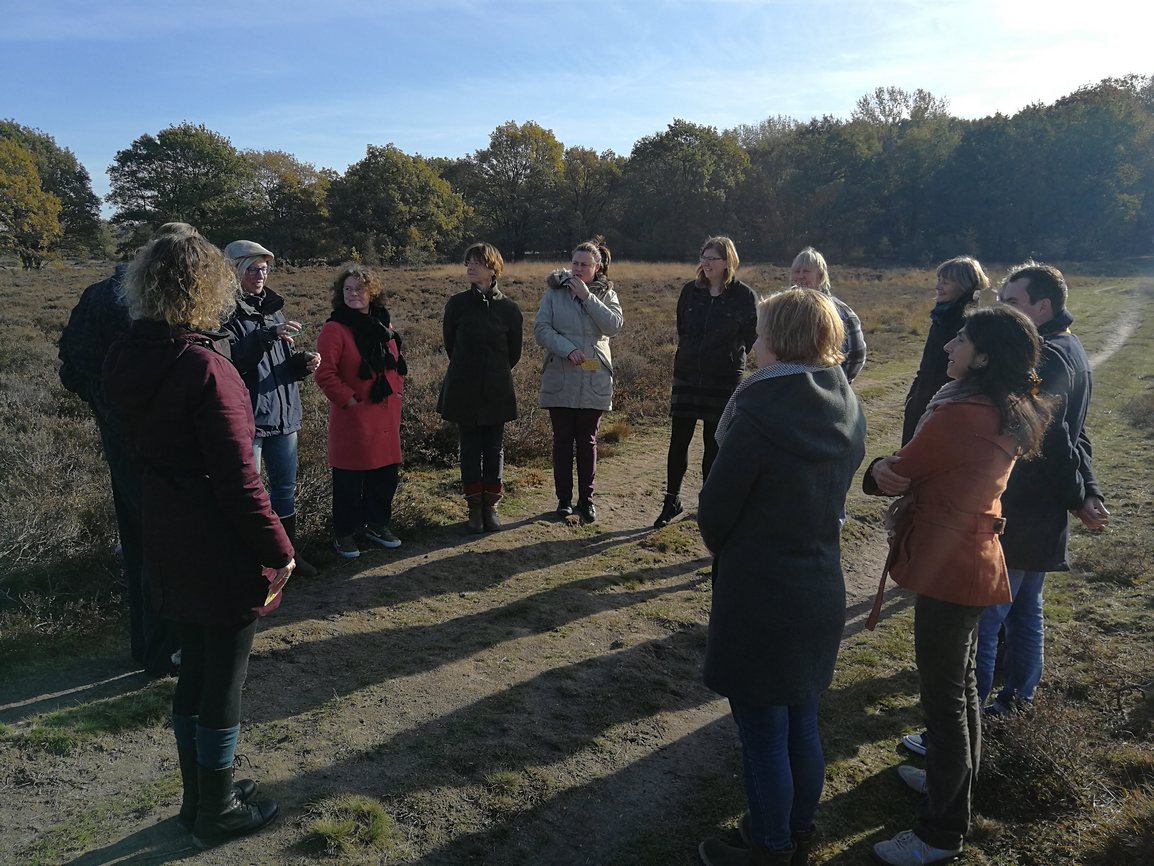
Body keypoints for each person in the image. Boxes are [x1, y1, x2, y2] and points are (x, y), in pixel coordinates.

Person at [102, 232, 289, 844]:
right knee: (223, 679)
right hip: (217, 542)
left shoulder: (128, 356)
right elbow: (239, 479)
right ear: (209, 287)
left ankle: (198, 799)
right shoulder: (208, 367)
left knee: (195, 673)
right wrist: (278, 550)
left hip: (164, 530)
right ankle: (216, 811)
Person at [864, 306, 1055, 865]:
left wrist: (877, 468)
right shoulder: (1004, 408)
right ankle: (951, 786)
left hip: (953, 564)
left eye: (963, 340)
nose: (949, 346)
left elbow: (900, 469)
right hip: (974, 556)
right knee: (963, 686)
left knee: (943, 697)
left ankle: (940, 834)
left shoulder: (960, 414)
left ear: (986, 356)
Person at [697, 288, 866, 866]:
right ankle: (797, 829)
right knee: (801, 718)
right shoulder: (844, 400)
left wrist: (730, 548)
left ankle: (769, 847)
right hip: (819, 580)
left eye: (762, 330)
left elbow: (716, 512)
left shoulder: (757, 409)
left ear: (782, 339)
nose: (753, 341)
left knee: (764, 730)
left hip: (761, 589)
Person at [58, 222, 195, 677]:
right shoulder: (162, 298)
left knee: (139, 540)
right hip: (162, 439)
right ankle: (167, 650)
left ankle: (145, 645)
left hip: (119, 437)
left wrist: (103, 404)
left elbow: (70, 367)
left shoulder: (97, 295)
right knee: (172, 542)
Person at [978, 261, 1109, 713]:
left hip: (1027, 505)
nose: (1003, 310)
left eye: (1012, 303)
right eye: (1001, 302)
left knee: (991, 612)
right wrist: (1086, 491)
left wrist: (1078, 496)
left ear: (1043, 305)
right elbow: (1078, 434)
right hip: (1043, 506)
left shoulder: (1047, 356)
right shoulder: (1070, 347)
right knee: (1024, 607)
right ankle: (1018, 702)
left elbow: (1056, 439)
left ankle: (970, 718)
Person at [223, 240, 322, 577]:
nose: (260, 274)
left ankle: (288, 559)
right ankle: (253, 566)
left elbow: (275, 365)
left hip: (283, 417)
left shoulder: (272, 309)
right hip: (250, 419)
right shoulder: (224, 313)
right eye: (252, 268)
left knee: (283, 490)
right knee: (249, 496)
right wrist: (265, 336)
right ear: (234, 270)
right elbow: (234, 362)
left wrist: (301, 365)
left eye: (264, 268)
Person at [653, 236, 757, 529]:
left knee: (714, 444)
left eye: (713, 258)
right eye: (704, 256)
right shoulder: (690, 292)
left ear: (727, 262)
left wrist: (726, 360)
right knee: (678, 442)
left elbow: (751, 339)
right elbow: (682, 329)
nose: (706, 263)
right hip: (687, 374)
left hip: (723, 380)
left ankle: (708, 506)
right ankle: (671, 501)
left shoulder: (744, 296)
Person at [314, 263, 407, 557]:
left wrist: (398, 390)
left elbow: (396, 363)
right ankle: (344, 534)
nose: (354, 294)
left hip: (385, 414)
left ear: (373, 292)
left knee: (384, 476)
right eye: (348, 289)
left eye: (360, 288)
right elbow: (324, 373)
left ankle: (377, 525)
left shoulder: (384, 325)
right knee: (349, 482)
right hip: (354, 418)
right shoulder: (334, 328)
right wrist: (349, 399)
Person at [533, 237, 623, 524]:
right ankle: (563, 501)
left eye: (585, 264)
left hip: (594, 377)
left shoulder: (607, 294)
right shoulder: (554, 293)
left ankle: (587, 500)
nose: (578, 268)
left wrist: (587, 296)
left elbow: (613, 326)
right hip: (560, 375)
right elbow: (541, 330)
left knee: (587, 441)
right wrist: (567, 348)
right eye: (575, 263)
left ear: (597, 267)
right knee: (561, 441)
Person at [437, 242, 523, 533]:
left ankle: (492, 508)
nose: (470, 267)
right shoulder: (456, 304)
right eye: (468, 262)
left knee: (494, 448)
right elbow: (451, 345)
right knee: (470, 449)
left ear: (493, 267)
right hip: (463, 389)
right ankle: (474, 510)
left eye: (477, 262)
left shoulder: (509, 309)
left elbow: (514, 353)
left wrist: (492, 374)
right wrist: (469, 372)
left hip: (497, 390)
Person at [900, 257, 989, 446]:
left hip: (945, 407)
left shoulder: (970, 323)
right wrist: (914, 397)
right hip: (923, 402)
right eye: (939, 280)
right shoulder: (942, 316)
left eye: (946, 282)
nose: (938, 286)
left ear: (964, 285)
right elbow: (927, 366)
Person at [790, 246, 866, 383]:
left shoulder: (841, 312)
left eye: (806, 271)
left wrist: (840, 383)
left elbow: (856, 354)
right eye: (796, 271)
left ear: (820, 276)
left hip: (828, 389)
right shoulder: (782, 310)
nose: (800, 276)